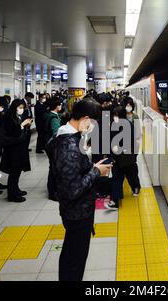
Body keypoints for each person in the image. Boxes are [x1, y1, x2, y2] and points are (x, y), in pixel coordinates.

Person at [53, 98, 112, 281]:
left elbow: (73, 174)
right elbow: (73, 189)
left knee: (73, 255)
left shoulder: (70, 138)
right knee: (74, 261)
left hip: (76, 211)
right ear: (86, 118)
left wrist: (92, 168)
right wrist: (96, 171)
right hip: (77, 213)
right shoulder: (69, 146)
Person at [0, 99, 33, 203]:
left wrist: (26, 126)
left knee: (17, 171)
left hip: (19, 148)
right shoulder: (9, 118)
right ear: (14, 108)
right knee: (13, 172)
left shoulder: (18, 117)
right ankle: (12, 195)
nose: (21, 110)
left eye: (23, 108)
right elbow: (14, 133)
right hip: (13, 150)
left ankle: (16, 190)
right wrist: (22, 125)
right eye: (19, 108)